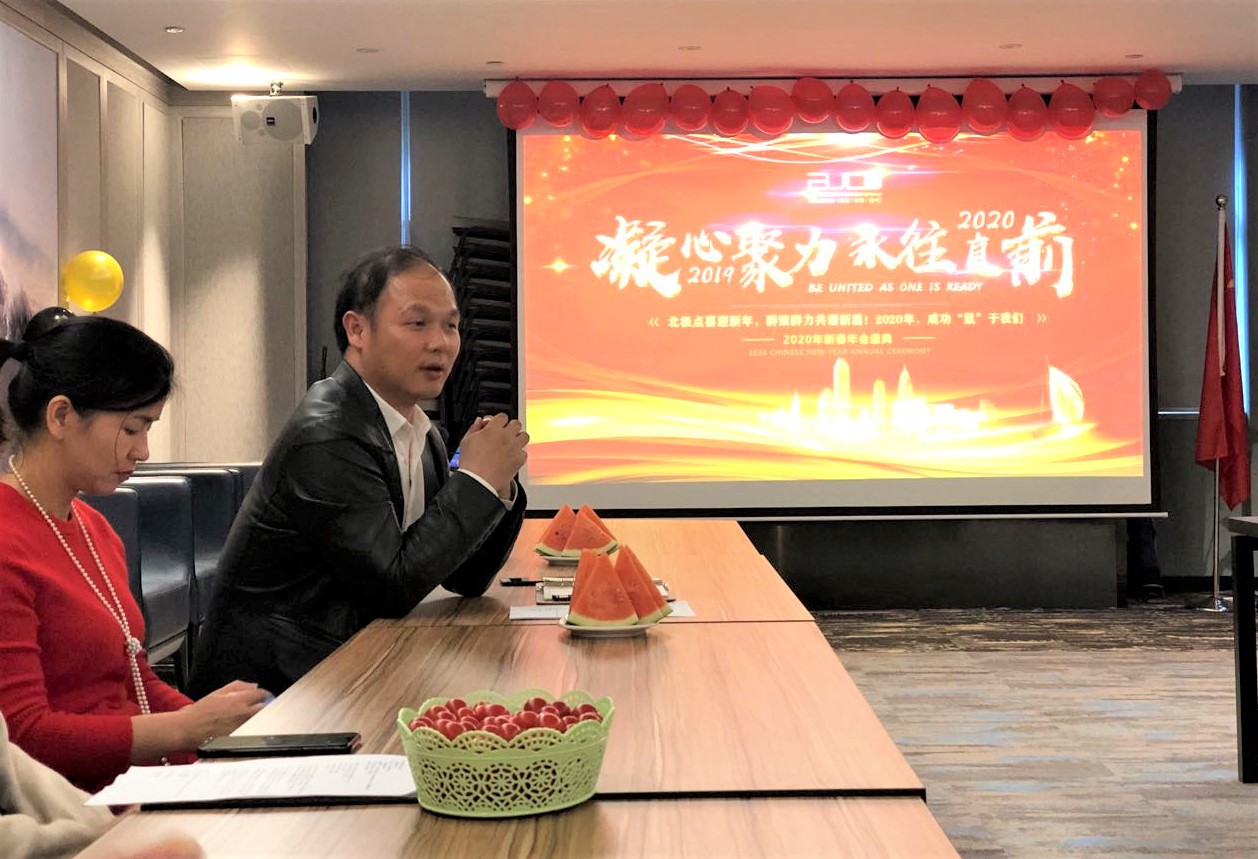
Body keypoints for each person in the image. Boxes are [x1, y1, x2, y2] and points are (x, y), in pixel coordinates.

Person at [190, 246, 529, 696]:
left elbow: (463, 577)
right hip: (276, 693)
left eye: (451, 325)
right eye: (417, 323)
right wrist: (476, 481)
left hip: (350, 667)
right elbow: (391, 587)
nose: (441, 343)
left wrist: (496, 483)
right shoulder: (329, 432)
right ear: (357, 330)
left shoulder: (421, 432)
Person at [0, 311, 269, 794]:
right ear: (61, 416)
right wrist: (189, 728)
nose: (143, 451)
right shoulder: (7, 539)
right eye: (132, 429)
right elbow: (22, 739)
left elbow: (134, 682)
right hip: (75, 805)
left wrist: (221, 726)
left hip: (141, 783)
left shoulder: (95, 529)